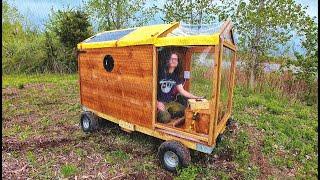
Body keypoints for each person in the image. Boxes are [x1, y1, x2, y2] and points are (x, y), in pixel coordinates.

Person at [157, 51, 202, 123]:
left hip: (170, 102)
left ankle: (169, 111)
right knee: (165, 118)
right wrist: (157, 102)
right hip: (159, 103)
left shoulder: (175, 76)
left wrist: (196, 97)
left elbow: (182, 91)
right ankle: (163, 113)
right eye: (172, 58)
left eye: (176, 59)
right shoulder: (160, 73)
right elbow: (150, 88)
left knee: (184, 110)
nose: (174, 61)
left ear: (177, 62)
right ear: (168, 60)